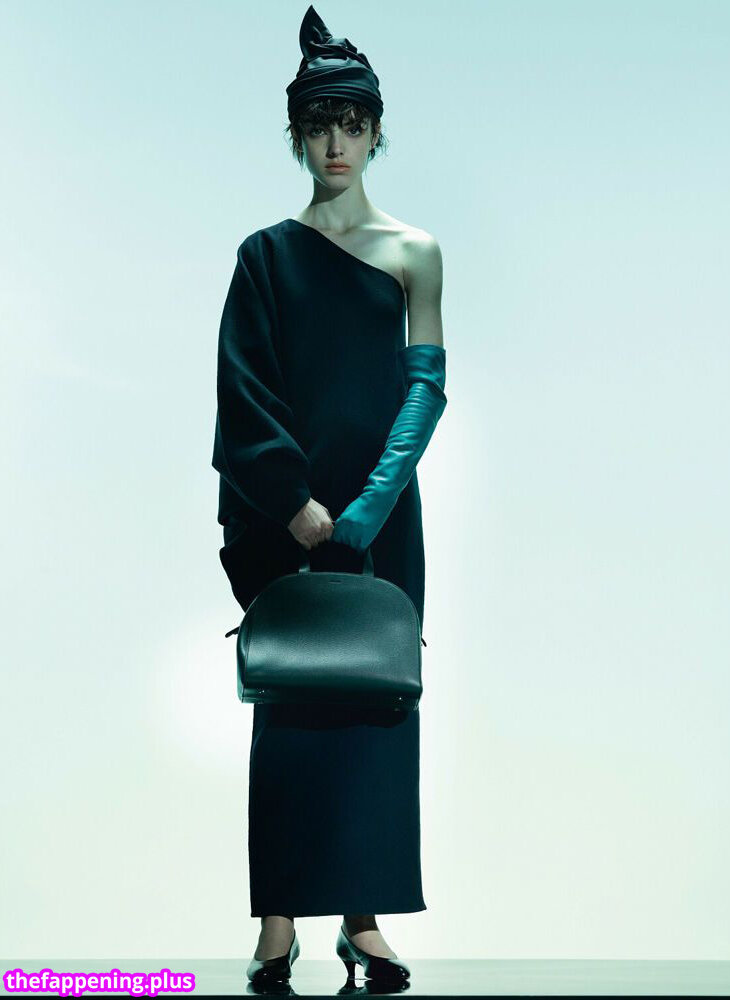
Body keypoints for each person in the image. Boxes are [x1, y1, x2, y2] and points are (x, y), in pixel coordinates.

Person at [211, 4, 447, 986]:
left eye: (353, 123)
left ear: (376, 131)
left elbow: (425, 388)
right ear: (296, 135)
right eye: (319, 125)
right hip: (285, 516)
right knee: (291, 706)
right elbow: (243, 392)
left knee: (374, 702)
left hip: (382, 519)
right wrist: (299, 509)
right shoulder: (263, 256)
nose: (336, 142)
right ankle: (278, 921)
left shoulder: (414, 251)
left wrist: (365, 510)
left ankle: (363, 919)